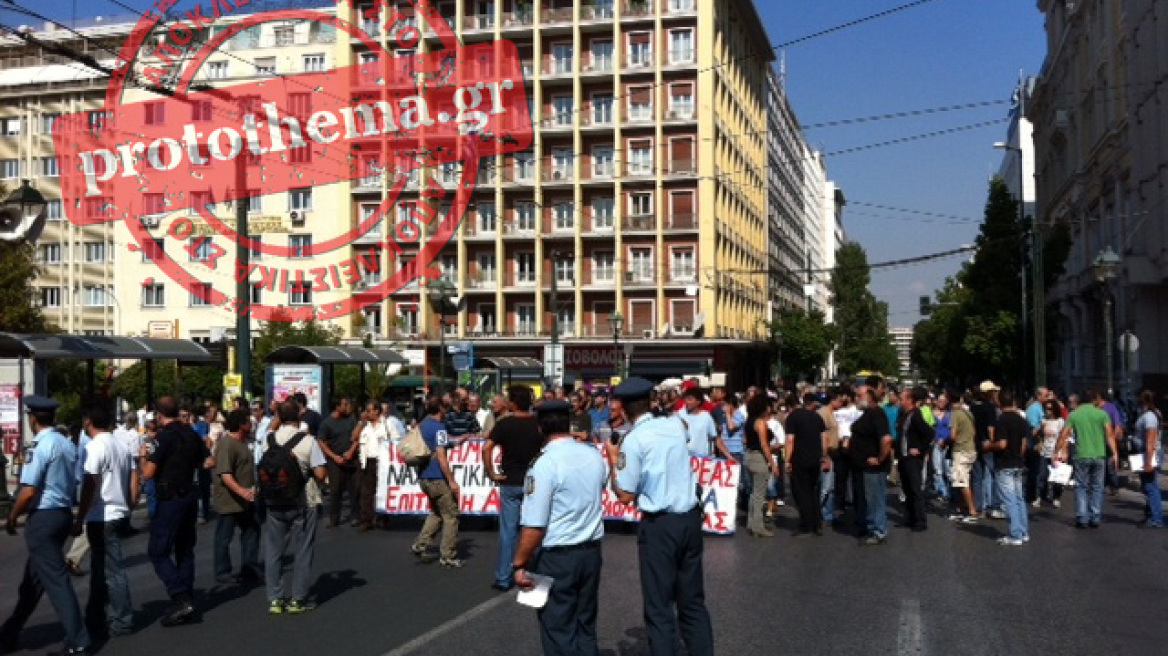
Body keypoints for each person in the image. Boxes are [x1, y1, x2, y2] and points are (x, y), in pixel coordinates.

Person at [611, 378, 713, 656]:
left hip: (660, 525)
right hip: (689, 518)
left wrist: (613, 460)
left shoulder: (633, 440)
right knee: (692, 602)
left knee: (659, 606)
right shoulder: (675, 426)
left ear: (622, 407)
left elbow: (625, 495)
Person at [512, 400, 607, 655]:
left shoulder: (544, 464)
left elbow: (534, 525)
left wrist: (520, 563)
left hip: (557, 556)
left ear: (540, 428)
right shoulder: (593, 454)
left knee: (558, 629)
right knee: (585, 625)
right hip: (590, 552)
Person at [0, 396, 90, 655]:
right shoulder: (65, 443)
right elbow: (75, 480)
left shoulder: (39, 446)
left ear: (34, 419)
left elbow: (28, 491)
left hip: (44, 516)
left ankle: (78, 639)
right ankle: (11, 631)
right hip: (62, 513)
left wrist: (13, 517)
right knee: (33, 582)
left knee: (56, 581)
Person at [73, 403, 139, 642]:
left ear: (88, 421)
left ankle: (122, 619)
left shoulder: (95, 447)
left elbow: (91, 483)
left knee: (111, 571)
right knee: (102, 570)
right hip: (117, 511)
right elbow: (134, 475)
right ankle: (97, 617)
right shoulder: (120, 445)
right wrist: (129, 503)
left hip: (101, 515)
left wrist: (80, 516)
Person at [140, 396, 207, 628]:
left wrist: (143, 455)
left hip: (171, 499)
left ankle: (179, 597)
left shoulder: (163, 437)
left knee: (158, 551)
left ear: (159, 415)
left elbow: (148, 472)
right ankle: (187, 597)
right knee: (185, 549)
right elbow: (208, 461)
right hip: (189, 495)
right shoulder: (191, 434)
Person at [260, 400, 328, 614]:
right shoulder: (308, 441)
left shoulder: (267, 440)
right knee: (303, 550)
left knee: (273, 550)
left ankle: (275, 598)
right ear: (300, 417)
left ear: (278, 416)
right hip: (303, 500)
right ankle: (298, 599)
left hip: (274, 500)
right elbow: (320, 474)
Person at [484, 385, 544, 591]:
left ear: (513, 403)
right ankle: (533, 570)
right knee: (535, 527)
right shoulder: (538, 424)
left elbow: (487, 447)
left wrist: (491, 472)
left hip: (510, 481)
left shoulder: (505, 424)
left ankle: (503, 577)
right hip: (533, 482)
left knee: (508, 532)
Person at [411, 395, 464, 567]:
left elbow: (436, 445)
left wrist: (455, 442)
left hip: (424, 476)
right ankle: (448, 554)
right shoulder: (439, 428)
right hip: (437, 477)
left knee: (436, 512)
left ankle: (421, 544)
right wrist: (452, 480)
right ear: (440, 409)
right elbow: (441, 455)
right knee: (451, 515)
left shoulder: (424, 425)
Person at [1055, 390, 1117, 529]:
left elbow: (1064, 434)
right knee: (1097, 486)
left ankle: (1082, 517)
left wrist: (1056, 451)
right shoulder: (1102, 414)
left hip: (1081, 454)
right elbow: (1110, 435)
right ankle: (1095, 516)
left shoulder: (1074, 415)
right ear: (1094, 400)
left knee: (1081, 487)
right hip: (1099, 454)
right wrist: (1115, 453)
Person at [212, 409, 261, 585]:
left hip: (246, 501)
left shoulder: (243, 443)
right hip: (229, 501)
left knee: (251, 532)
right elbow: (225, 474)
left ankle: (249, 567)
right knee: (224, 537)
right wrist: (242, 491)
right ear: (241, 425)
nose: (251, 425)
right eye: (248, 422)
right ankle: (222, 571)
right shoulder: (227, 444)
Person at [985, 391, 1031, 546]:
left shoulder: (1002, 420)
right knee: (1019, 499)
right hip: (1018, 462)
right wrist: (1019, 457)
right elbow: (1024, 444)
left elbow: (1002, 444)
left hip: (1005, 463)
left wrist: (988, 446)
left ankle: (1015, 534)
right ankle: (1023, 532)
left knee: (1008, 501)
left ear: (999, 403)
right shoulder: (1021, 419)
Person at [849, 388, 894, 545]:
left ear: (869, 398)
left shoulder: (877, 414)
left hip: (873, 469)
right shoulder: (868, 414)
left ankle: (878, 530)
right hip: (862, 467)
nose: (855, 398)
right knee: (868, 498)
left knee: (875, 499)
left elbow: (886, 439)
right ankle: (870, 526)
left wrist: (880, 458)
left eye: (859, 395)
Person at [784, 393, 828, 537]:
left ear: (789, 407)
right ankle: (817, 523)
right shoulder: (816, 417)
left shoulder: (792, 418)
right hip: (815, 459)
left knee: (801, 492)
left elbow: (790, 440)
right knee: (813, 490)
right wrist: (824, 456)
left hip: (799, 459)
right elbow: (824, 438)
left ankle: (806, 525)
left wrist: (787, 460)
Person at [897, 387, 935, 532]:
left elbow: (930, 433)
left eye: (902, 399)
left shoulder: (915, 415)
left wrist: (920, 449)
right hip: (903, 457)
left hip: (913, 459)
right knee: (907, 489)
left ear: (910, 401)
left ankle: (920, 521)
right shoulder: (904, 415)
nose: (901, 401)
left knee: (915, 488)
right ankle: (910, 518)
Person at [318, 398, 359, 529]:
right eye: (344, 404)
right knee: (335, 490)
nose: (347, 407)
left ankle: (355, 516)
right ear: (337, 407)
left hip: (351, 459)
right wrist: (334, 457)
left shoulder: (351, 420)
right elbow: (321, 442)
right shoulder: (327, 423)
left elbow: (357, 438)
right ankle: (334, 518)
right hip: (335, 461)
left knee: (354, 489)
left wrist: (351, 451)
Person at [743, 394, 780, 538]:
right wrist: (772, 463)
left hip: (749, 456)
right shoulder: (760, 423)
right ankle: (758, 526)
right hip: (759, 457)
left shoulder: (749, 421)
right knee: (760, 494)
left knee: (754, 492)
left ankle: (751, 523)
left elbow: (745, 440)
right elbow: (764, 445)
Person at [354, 402, 395, 533]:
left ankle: (382, 519)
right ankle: (367, 520)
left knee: (382, 491)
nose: (367, 413)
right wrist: (361, 422)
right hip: (367, 461)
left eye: (369, 410)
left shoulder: (388, 425)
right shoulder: (365, 427)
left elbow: (397, 441)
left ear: (377, 411)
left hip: (382, 461)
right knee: (366, 492)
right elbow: (353, 437)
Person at [946, 392, 980, 522]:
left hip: (961, 450)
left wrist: (946, 441)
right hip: (971, 448)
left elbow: (953, 435)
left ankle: (972, 510)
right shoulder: (968, 413)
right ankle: (961, 508)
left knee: (961, 481)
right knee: (963, 479)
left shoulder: (955, 414)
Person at [1132, 390, 1162, 529]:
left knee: (1151, 486)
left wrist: (1149, 461)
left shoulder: (1149, 416)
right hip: (1145, 453)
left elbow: (1151, 439)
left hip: (1148, 453)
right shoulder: (1148, 414)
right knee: (1147, 486)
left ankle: (1156, 518)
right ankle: (1150, 514)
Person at [677, 388, 730, 459]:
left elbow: (716, 438)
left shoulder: (706, 416)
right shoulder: (678, 415)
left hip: (701, 460)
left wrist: (729, 457)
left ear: (698, 401)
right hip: (683, 458)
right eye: (686, 399)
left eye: (690, 399)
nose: (687, 402)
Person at [818, 389, 843, 525]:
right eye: (839, 400)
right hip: (826, 453)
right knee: (825, 487)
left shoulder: (832, 413)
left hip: (832, 452)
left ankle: (828, 515)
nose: (841, 403)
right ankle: (816, 512)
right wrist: (824, 456)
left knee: (830, 487)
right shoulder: (823, 414)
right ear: (832, 400)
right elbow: (822, 436)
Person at [1035, 400, 1065, 509]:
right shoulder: (1044, 421)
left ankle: (1056, 497)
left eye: (1050, 408)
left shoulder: (1060, 421)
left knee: (1057, 478)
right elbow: (1038, 434)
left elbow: (1063, 437)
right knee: (1042, 475)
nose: (1048, 411)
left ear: (1055, 410)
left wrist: (1060, 452)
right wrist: (1040, 428)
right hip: (1045, 452)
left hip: (1056, 453)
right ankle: (1039, 496)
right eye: (1046, 408)